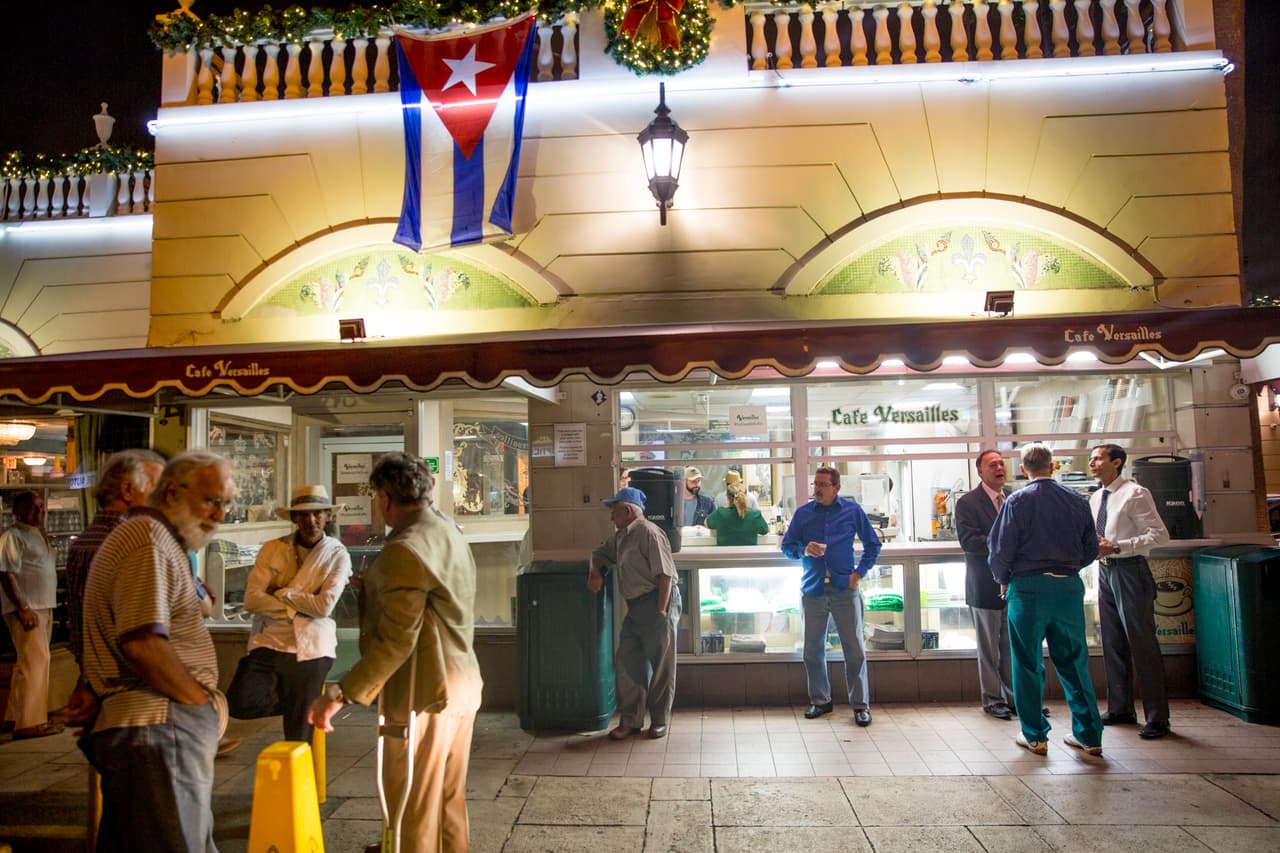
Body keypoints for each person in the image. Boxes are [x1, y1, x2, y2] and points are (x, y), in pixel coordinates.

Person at [309, 453, 483, 853]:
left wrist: (342, 692)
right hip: (461, 684)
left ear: (385, 497)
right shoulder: (449, 532)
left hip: (424, 691)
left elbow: (397, 640)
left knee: (412, 806)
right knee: (447, 799)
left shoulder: (404, 548)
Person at [81, 450, 236, 851]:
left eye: (226, 503)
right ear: (170, 493)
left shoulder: (157, 540)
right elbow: (143, 643)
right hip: (159, 726)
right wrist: (198, 702)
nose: (219, 515)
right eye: (211, 501)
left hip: (154, 727)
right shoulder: (146, 541)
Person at [988, 442, 1103, 757]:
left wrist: (1003, 579)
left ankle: (1035, 735)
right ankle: (1090, 736)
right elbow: (1091, 549)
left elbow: (1000, 550)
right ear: (1052, 466)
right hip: (1067, 588)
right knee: (1074, 661)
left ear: (1023, 469)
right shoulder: (1077, 501)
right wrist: (1067, 568)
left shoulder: (1017, 501)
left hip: (1027, 590)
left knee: (1027, 662)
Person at [240, 485, 351, 741]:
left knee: (300, 730)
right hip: (270, 640)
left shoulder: (337, 554)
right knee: (243, 699)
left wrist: (281, 592)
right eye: (303, 515)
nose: (311, 521)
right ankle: (294, 700)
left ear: (327, 515)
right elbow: (252, 599)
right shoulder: (273, 548)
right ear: (294, 518)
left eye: (317, 514)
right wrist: (299, 607)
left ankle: (303, 777)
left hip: (312, 645)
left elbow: (324, 607)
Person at [63, 449, 165, 725]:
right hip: (133, 684)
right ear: (128, 490)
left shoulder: (85, 541)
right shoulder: (131, 544)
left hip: (103, 678)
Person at [781, 466, 881, 727]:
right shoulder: (803, 514)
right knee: (812, 650)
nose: (817, 489)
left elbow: (873, 544)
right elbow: (787, 547)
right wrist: (804, 550)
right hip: (812, 589)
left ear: (837, 488)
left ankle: (860, 705)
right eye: (816, 484)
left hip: (844, 590)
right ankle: (820, 700)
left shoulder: (852, 511)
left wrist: (858, 573)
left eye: (823, 485)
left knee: (855, 650)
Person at [1088, 443, 1172, 739]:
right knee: (1112, 642)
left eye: (1098, 458)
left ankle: (1157, 717)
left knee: (1142, 644)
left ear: (1117, 462)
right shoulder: (1097, 496)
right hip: (1106, 571)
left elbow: (1159, 535)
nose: (1092, 464)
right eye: (1091, 459)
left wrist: (1121, 547)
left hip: (1131, 570)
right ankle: (1120, 707)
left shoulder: (1135, 493)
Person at [588, 486, 680, 740]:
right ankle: (631, 720)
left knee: (661, 665)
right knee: (628, 661)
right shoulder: (621, 536)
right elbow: (599, 553)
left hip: (657, 602)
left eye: (614, 512)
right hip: (636, 606)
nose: (611, 517)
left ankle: (659, 720)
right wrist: (594, 571)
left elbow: (666, 576)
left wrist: (661, 612)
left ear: (628, 511)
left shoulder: (649, 533)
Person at [955, 450, 1015, 720]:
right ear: (980, 471)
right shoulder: (968, 502)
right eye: (993, 465)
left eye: (1002, 463)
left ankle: (1016, 699)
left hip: (1015, 585)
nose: (999, 468)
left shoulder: (1013, 499)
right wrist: (1004, 544)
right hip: (985, 585)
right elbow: (969, 541)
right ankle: (993, 700)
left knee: (1012, 647)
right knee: (989, 649)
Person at [0, 490, 63, 740]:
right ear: (17, 510)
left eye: (41, 508)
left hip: (43, 605)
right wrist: (22, 608)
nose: (40, 512)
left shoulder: (39, 535)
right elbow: (6, 573)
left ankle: (14, 716)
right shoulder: (12, 536)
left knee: (27, 664)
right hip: (28, 608)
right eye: (34, 508)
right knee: (37, 662)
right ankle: (30, 722)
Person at [705, 479, 769, 546]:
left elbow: (706, 523)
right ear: (746, 498)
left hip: (725, 555)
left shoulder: (720, 513)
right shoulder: (755, 515)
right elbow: (765, 530)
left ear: (727, 498)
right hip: (749, 555)